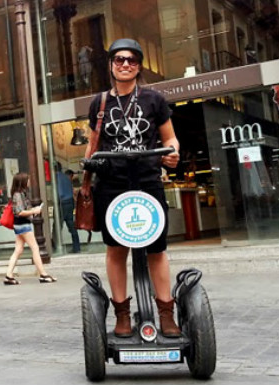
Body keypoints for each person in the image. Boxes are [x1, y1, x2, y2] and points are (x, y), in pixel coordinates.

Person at [81, 38, 181, 338]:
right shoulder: (99, 104)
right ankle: (122, 314)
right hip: (111, 185)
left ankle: (166, 313)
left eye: (132, 60)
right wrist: (88, 165)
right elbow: (92, 144)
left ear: (139, 66)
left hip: (148, 181)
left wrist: (173, 152)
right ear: (111, 65)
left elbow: (170, 139)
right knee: (116, 249)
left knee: (156, 249)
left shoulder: (153, 100)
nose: (125, 64)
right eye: (119, 59)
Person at [4, 172, 56, 285]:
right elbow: (20, 212)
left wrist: (34, 210)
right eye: (27, 180)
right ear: (22, 182)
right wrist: (34, 211)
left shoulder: (20, 193)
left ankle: (9, 275)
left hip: (20, 224)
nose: (29, 182)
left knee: (18, 250)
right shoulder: (18, 194)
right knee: (35, 248)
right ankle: (43, 274)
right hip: (23, 225)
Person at [53, 162, 80, 253]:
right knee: (71, 226)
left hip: (61, 203)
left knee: (57, 227)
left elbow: (59, 193)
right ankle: (77, 247)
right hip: (70, 202)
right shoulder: (66, 177)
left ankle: (55, 248)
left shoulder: (55, 178)